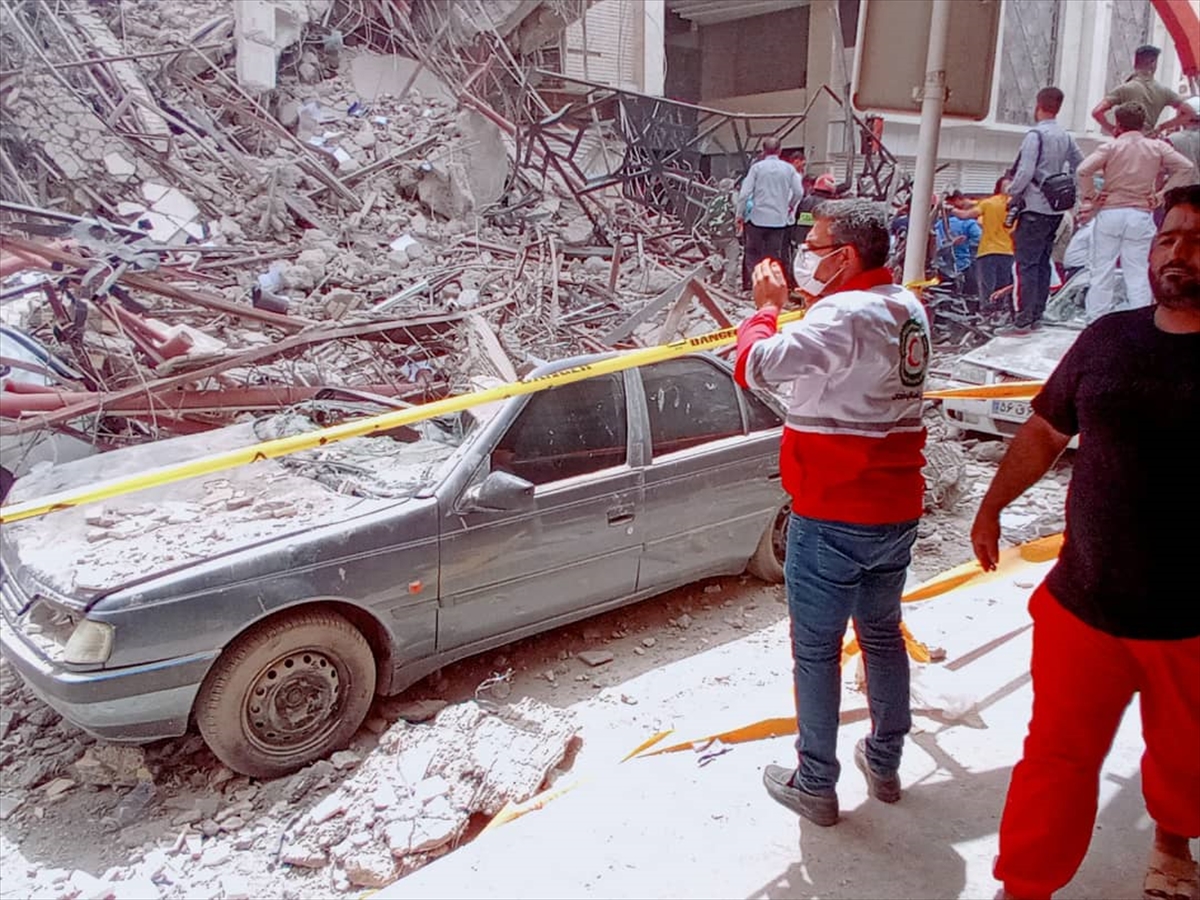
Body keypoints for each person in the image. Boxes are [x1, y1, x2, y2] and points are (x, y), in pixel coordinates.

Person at [971, 184, 1200, 900]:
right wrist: (990, 507)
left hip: (1191, 620)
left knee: (1187, 757)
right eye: (1167, 238)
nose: (1177, 253)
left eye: (1196, 239)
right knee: (1055, 758)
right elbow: (1045, 429)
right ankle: (1025, 886)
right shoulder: (1108, 338)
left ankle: (1172, 844)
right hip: (1084, 602)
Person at [734, 199, 930, 827]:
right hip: (894, 510)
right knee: (880, 634)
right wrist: (799, 312)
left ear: (844, 256)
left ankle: (815, 781)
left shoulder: (843, 315)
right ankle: (886, 758)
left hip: (833, 513)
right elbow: (834, 347)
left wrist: (765, 309)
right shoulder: (906, 307)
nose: (804, 255)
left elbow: (755, 365)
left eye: (814, 245)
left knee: (815, 652)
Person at [1076, 101, 1194, 321]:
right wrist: (1161, 195)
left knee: (1102, 272)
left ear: (1118, 124)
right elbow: (1185, 167)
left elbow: (1083, 170)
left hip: (1110, 212)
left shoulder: (1111, 147)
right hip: (1140, 213)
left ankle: (1095, 322)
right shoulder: (1156, 147)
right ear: (1142, 124)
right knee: (1138, 272)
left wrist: (1090, 197)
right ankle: (1139, 321)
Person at [1005, 86, 1083, 333]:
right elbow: (1081, 164)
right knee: (1042, 261)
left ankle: (1023, 317)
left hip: (1033, 208)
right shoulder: (1066, 136)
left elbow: (1026, 172)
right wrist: (1067, 184)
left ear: (1038, 105)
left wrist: (1011, 189)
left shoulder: (1035, 136)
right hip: (1055, 210)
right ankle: (1038, 312)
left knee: (1025, 263)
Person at [737, 136, 805, 292]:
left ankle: (756, 286)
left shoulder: (757, 168)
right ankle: (771, 287)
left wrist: (739, 215)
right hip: (778, 221)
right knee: (774, 256)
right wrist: (790, 205)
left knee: (753, 253)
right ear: (780, 151)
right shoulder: (789, 169)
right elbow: (798, 192)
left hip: (757, 219)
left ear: (763, 151)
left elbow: (744, 194)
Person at [1091, 45, 1198, 137]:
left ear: (1135, 63)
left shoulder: (1124, 88)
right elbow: (1191, 113)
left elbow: (1097, 112)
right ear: (1153, 63)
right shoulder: (1164, 91)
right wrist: (1161, 127)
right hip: (1149, 142)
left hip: (1125, 141)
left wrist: (1112, 130)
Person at [973, 178, 1016, 309]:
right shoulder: (1017, 206)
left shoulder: (988, 204)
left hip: (988, 251)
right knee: (1003, 286)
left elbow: (979, 221)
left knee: (987, 287)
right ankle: (1000, 312)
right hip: (1008, 251)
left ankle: (987, 312)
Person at [934, 193, 982, 298]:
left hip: (942, 268)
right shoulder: (968, 223)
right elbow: (979, 238)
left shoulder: (938, 224)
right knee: (971, 296)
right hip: (964, 265)